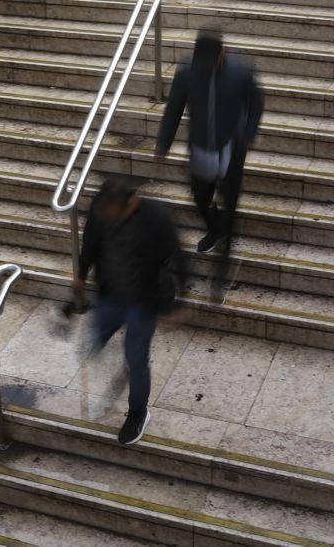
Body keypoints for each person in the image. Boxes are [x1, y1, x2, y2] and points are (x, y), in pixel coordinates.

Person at [72, 176, 188, 445]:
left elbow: (179, 259)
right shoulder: (101, 208)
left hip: (144, 300)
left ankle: (138, 413)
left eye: (112, 213)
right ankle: (123, 361)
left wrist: (179, 304)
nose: (106, 217)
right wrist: (81, 273)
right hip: (111, 293)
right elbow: (90, 241)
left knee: (136, 359)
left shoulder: (156, 218)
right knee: (94, 341)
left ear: (130, 205)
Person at [155, 31, 264, 256]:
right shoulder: (187, 74)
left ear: (222, 53)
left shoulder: (240, 72)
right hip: (200, 145)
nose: (206, 68)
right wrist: (163, 144)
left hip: (231, 146)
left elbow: (256, 103)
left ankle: (226, 236)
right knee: (200, 196)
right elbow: (173, 109)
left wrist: (248, 133)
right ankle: (215, 229)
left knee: (230, 195)